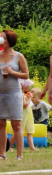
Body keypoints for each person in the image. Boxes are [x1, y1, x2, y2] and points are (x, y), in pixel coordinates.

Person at [0, 29, 29, 160]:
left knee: (16, 125)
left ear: (10, 40)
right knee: (1, 124)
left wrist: (12, 72)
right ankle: (2, 154)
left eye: (4, 38)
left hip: (14, 93)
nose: (2, 40)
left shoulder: (19, 56)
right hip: (1, 94)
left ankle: (19, 155)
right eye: (1, 38)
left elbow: (26, 75)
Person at [9, 79, 39, 152]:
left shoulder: (24, 94)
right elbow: (24, 105)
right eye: (28, 85)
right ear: (23, 85)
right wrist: (29, 99)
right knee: (19, 131)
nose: (29, 87)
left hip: (28, 115)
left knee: (29, 130)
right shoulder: (21, 94)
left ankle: (32, 146)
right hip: (23, 115)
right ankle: (8, 146)